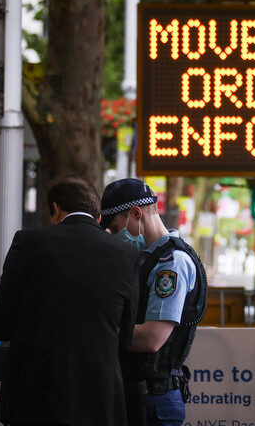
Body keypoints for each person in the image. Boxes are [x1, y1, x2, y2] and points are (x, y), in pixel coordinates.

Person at [0, 176, 139, 426]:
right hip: (99, 400)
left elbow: (0, 325)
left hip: (34, 398)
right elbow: (125, 334)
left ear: (56, 209)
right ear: (99, 216)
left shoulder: (28, 243)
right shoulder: (128, 255)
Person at [100, 178, 207, 426]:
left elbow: (152, 338)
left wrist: (97, 330)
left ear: (136, 213)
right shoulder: (144, 260)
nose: (114, 237)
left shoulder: (172, 263)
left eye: (116, 229)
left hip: (153, 398)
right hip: (135, 394)